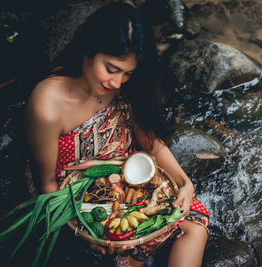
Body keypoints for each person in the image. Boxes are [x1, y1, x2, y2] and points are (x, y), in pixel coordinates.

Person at [25, 2, 209, 266]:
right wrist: (87, 233)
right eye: (111, 68)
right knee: (120, 258)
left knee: (195, 223)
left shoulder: (125, 88)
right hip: (76, 199)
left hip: (126, 182)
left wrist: (184, 183)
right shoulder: (48, 103)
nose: (116, 82)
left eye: (127, 74)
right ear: (88, 50)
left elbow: (150, 142)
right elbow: (47, 186)